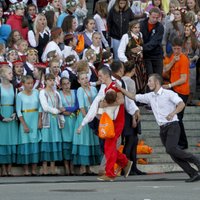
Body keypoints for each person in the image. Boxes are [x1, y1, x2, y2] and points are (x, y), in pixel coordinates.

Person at [118, 73, 200, 182]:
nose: (148, 84)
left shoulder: (169, 93)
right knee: (172, 153)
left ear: (156, 82)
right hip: (162, 129)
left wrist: (173, 112)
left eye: (149, 81)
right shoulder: (150, 96)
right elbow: (133, 97)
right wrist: (120, 89)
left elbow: (181, 104)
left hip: (173, 126)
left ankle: (196, 160)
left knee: (171, 149)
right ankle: (193, 173)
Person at [163, 37, 190, 150]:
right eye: (174, 49)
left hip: (182, 91)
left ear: (182, 48)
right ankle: (179, 142)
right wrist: (173, 60)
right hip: (175, 90)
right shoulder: (173, 57)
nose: (176, 51)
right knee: (176, 117)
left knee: (178, 117)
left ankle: (183, 143)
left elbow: (183, 79)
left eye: (178, 49)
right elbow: (165, 70)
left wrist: (169, 85)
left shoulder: (184, 59)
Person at [72, 71, 101, 175]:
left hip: (93, 116)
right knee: (84, 140)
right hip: (85, 117)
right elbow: (82, 107)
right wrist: (87, 118)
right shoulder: (80, 90)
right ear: (79, 81)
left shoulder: (93, 89)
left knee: (91, 141)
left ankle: (89, 167)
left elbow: (98, 102)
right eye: (82, 79)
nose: (85, 80)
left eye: (86, 78)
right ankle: (83, 167)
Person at [39, 73, 65, 175]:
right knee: (46, 142)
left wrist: (59, 111)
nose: (51, 82)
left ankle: (53, 168)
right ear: (45, 81)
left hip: (55, 121)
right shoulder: (42, 92)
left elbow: (61, 106)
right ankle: (45, 169)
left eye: (53, 80)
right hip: (47, 120)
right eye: (49, 80)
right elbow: (45, 107)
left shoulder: (57, 93)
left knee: (54, 141)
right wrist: (57, 111)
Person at [16, 75, 42, 176]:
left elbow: (40, 107)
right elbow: (18, 111)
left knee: (34, 143)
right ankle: (26, 169)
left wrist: (39, 120)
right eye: (28, 83)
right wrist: (24, 125)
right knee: (25, 143)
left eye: (31, 83)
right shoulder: (19, 95)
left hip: (35, 118)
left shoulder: (36, 92)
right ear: (23, 84)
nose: (30, 85)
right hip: (25, 119)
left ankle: (34, 169)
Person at [0, 66, 18, 176]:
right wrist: (1, 117)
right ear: (2, 75)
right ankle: (3, 167)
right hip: (2, 112)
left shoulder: (14, 87)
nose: (12, 75)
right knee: (3, 140)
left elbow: (16, 101)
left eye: (12, 73)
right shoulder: (0, 87)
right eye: (9, 73)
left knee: (11, 139)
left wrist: (15, 112)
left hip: (11, 113)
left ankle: (9, 168)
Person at [59, 77, 78, 175]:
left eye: (68, 83)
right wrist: (64, 111)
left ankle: (72, 165)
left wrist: (66, 109)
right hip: (64, 120)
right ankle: (66, 166)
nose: (66, 86)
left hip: (73, 119)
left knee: (73, 143)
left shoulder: (74, 92)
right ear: (61, 86)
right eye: (64, 84)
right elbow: (58, 106)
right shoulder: (59, 94)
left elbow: (77, 106)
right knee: (66, 144)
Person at [140, 7, 164, 78]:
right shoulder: (141, 24)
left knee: (158, 77)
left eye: (157, 18)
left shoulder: (160, 27)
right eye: (153, 17)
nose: (155, 19)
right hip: (146, 55)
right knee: (149, 77)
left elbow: (154, 42)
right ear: (149, 15)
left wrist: (142, 48)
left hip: (157, 55)